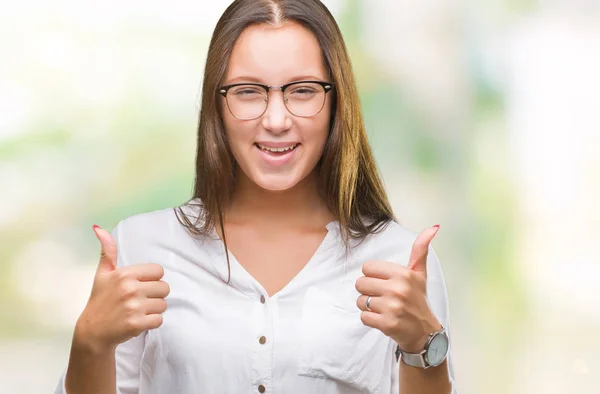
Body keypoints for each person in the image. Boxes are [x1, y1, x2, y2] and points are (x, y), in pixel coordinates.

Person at [56, 0, 458, 393]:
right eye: (249, 91)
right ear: (218, 105)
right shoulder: (143, 246)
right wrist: (89, 345)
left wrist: (423, 345)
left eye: (302, 91)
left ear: (337, 102)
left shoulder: (400, 261)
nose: (276, 120)